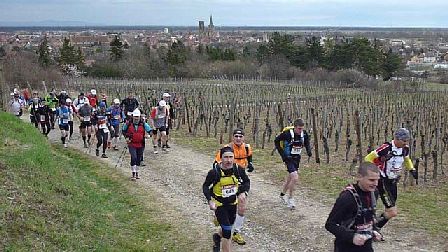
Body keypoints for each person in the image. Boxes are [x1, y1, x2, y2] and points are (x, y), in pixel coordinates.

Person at [364, 128, 418, 230]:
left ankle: (373, 228)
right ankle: (372, 229)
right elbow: (368, 158)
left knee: (390, 210)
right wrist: (379, 162)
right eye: (404, 140)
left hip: (393, 182)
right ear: (397, 139)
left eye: (407, 140)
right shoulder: (385, 148)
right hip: (382, 180)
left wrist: (412, 169)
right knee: (392, 211)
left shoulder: (405, 149)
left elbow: (407, 159)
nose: (406, 143)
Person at [325, 162, 383, 252]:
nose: (375, 184)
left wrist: (374, 231)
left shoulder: (374, 193)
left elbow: (368, 218)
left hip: (366, 246)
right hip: (346, 246)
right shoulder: (347, 197)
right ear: (359, 177)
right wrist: (352, 237)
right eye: (371, 180)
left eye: (377, 180)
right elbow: (330, 224)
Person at [203, 146, 250, 252]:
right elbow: (205, 186)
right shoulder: (214, 172)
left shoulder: (238, 169)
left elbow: (247, 181)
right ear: (221, 158)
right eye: (225, 157)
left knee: (227, 229)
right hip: (219, 205)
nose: (228, 160)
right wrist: (210, 201)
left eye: (231, 157)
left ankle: (217, 237)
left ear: (234, 157)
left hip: (233, 204)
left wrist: (244, 192)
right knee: (228, 232)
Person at [213, 128, 254, 245]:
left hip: (240, 181)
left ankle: (236, 232)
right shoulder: (226, 149)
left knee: (242, 206)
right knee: (225, 205)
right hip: (226, 182)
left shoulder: (247, 147)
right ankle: (218, 215)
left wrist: (250, 164)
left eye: (240, 136)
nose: (238, 138)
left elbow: (249, 157)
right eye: (236, 136)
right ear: (232, 137)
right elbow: (216, 164)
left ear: (244, 138)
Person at [274, 118, 312, 209]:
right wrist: (282, 154)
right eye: (299, 128)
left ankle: (282, 194)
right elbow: (276, 141)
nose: (300, 130)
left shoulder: (304, 134)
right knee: (295, 177)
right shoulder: (287, 134)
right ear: (294, 127)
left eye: (302, 128)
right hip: (288, 158)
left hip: (297, 158)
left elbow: (307, 143)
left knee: (290, 178)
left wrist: (309, 151)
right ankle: (290, 199)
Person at [122, 109, 152, 180]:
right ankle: (133, 173)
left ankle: (137, 172)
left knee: (138, 158)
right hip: (131, 143)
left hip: (141, 144)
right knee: (134, 157)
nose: (136, 118)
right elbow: (123, 131)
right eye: (135, 117)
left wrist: (148, 136)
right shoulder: (128, 123)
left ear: (139, 117)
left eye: (137, 117)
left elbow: (150, 131)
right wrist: (126, 137)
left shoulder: (143, 123)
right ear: (132, 116)